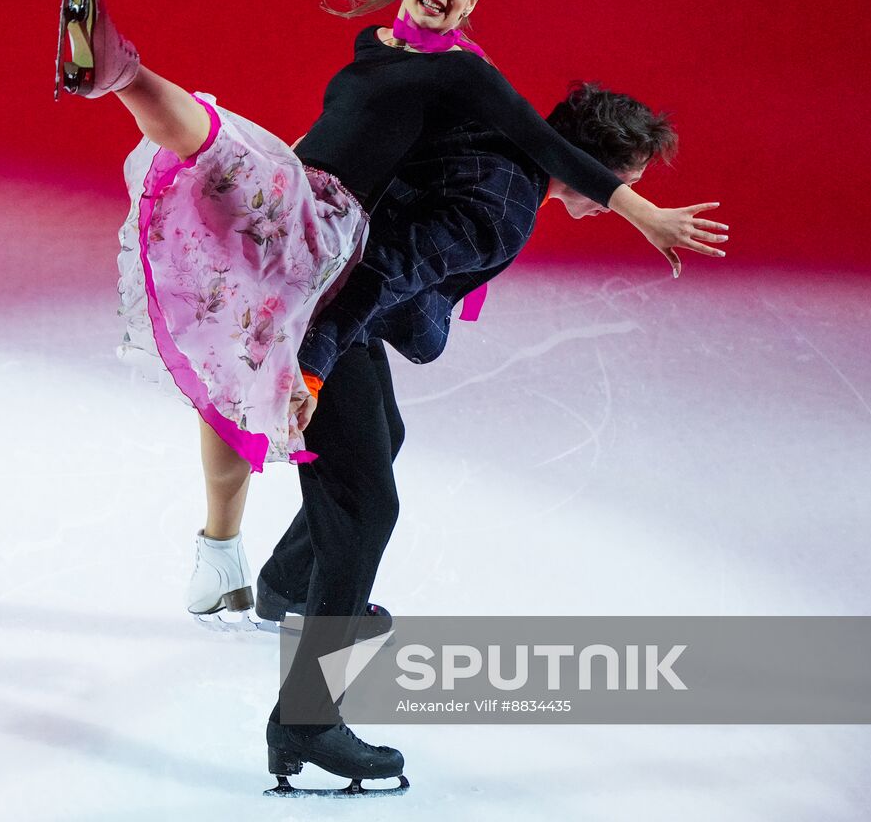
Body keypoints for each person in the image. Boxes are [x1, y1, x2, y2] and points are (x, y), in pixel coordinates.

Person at [54, 0, 726, 619]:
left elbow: (532, 140)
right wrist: (644, 214)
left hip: (311, 224)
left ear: (471, 3)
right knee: (359, 497)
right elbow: (397, 260)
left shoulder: (455, 80)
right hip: (318, 242)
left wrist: (635, 207)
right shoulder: (447, 121)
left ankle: (251, 570)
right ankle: (121, 72)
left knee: (304, 401)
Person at [257, 81, 711, 791]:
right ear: (588, 162)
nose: (614, 200)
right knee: (365, 506)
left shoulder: (501, 139)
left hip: (327, 293)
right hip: (322, 309)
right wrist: (308, 372)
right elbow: (381, 274)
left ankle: (286, 585)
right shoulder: (500, 205)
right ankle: (306, 723)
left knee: (385, 438)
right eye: (620, 185)